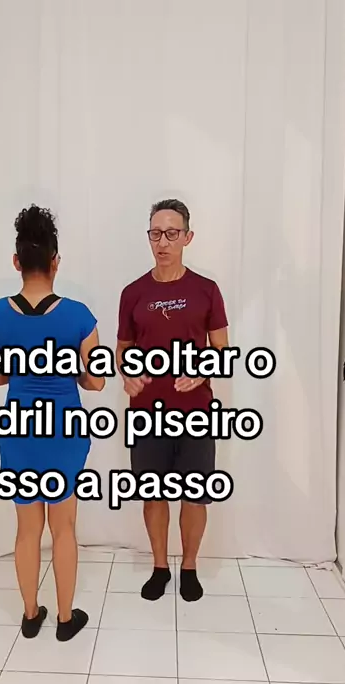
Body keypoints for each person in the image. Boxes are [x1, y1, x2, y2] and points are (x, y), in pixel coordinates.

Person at [0, 205, 104, 640]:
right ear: (55, 261)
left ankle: (31, 614)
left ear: (17, 261)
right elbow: (96, 382)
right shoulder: (79, 316)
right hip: (64, 432)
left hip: (19, 433)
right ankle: (66, 619)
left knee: (27, 529)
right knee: (63, 528)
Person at [116, 199, 229, 602]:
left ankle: (190, 566)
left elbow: (222, 350)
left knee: (195, 494)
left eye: (171, 233)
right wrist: (127, 375)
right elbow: (122, 350)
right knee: (154, 494)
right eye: (155, 234)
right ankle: (160, 566)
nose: (162, 242)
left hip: (196, 413)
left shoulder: (206, 290)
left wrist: (203, 370)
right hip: (147, 413)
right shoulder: (133, 293)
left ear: (187, 237)